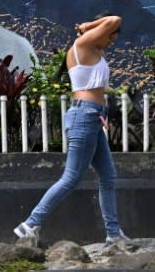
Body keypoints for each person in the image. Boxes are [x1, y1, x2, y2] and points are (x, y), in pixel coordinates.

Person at [13, 14, 131, 245]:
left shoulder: (94, 50)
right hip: (84, 115)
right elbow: (115, 19)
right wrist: (89, 26)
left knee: (108, 177)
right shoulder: (82, 45)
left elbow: (110, 29)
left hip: (94, 117)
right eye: (110, 38)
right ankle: (30, 224)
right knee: (72, 176)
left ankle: (114, 234)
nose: (110, 42)